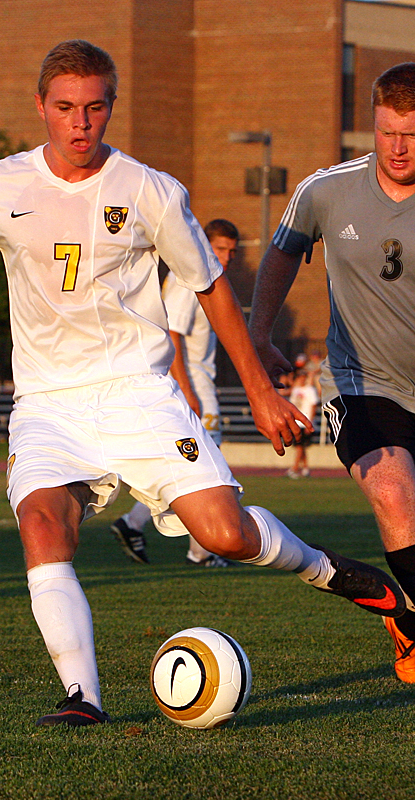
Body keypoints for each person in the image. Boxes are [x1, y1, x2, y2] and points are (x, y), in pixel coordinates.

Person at [0, 41, 404, 726]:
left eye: (95, 108)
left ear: (111, 108)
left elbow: (211, 287)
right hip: (46, 403)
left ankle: (328, 570)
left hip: (138, 391)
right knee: (41, 526)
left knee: (223, 536)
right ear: (41, 106)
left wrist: (256, 388)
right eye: (66, 108)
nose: (80, 123)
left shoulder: (148, 190)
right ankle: (83, 697)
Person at [249, 63, 415, 701]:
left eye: (413, 134)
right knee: (392, 489)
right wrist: (258, 332)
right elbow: (282, 249)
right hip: (358, 383)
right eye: (386, 131)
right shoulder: (325, 190)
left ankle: (406, 619)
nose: (397, 147)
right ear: (373, 122)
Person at [110, 219, 239, 568]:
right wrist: (188, 390)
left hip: (196, 384)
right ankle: (200, 553)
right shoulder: (188, 279)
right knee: (208, 471)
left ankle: (133, 522)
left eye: (231, 251)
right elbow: (173, 334)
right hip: (194, 386)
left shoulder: (198, 275)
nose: (226, 257)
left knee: (188, 469)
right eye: (220, 248)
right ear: (204, 244)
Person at [287, 369, 319, 478]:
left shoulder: (310, 390)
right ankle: (305, 468)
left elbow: (314, 406)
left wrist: (309, 422)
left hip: (304, 421)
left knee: (300, 446)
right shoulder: (295, 390)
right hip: (296, 422)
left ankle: (295, 468)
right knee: (301, 446)